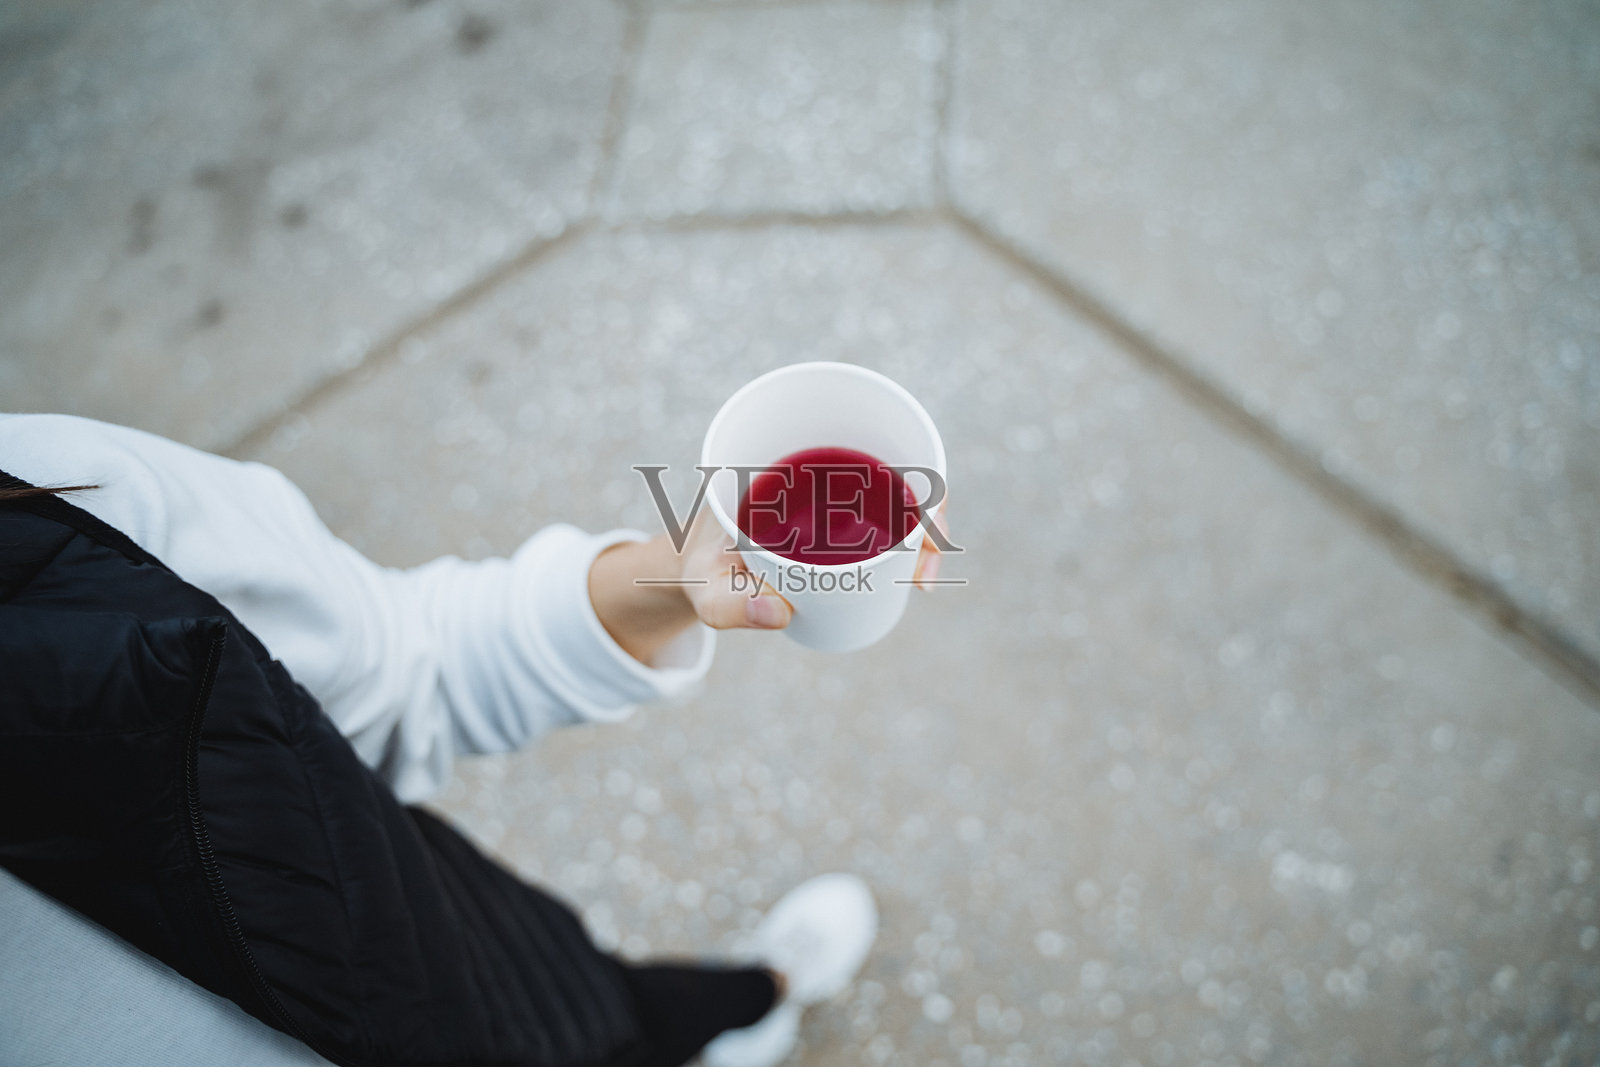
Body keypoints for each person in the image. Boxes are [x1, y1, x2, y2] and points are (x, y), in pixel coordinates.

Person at [0, 413, 940, 1067]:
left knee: (656, 1013)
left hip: (488, 979)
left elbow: (403, 670)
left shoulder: (42, 519)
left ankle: (762, 994)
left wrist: (671, 582)